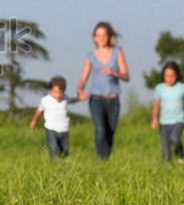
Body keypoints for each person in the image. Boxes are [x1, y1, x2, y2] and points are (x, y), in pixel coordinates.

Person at [77, 22, 129, 159]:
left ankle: (106, 158)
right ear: (94, 38)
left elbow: (126, 75)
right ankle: (102, 160)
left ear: (109, 36)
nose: (101, 38)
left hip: (113, 99)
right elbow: (84, 78)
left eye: (104, 35)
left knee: (110, 132)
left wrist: (113, 73)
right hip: (96, 99)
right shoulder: (90, 56)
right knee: (100, 129)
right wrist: (80, 89)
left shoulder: (118, 52)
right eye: (98, 35)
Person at [151, 61, 184, 161]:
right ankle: (166, 172)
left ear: (177, 75)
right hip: (164, 122)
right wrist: (154, 119)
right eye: (166, 76)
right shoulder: (159, 88)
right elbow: (156, 105)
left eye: (172, 76)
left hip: (178, 120)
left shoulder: (183, 88)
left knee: (175, 138)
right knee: (166, 155)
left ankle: (182, 156)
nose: (169, 79)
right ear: (163, 76)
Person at [29, 75, 82, 157]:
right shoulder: (45, 100)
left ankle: (64, 162)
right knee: (53, 147)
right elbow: (39, 111)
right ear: (50, 91)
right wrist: (34, 121)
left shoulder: (65, 98)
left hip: (64, 129)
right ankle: (53, 164)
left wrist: (80, 98)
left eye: (60, 93)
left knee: (64, 149)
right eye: (55, 92)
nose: (58, 95)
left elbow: (72, 100)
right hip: (51, 128)